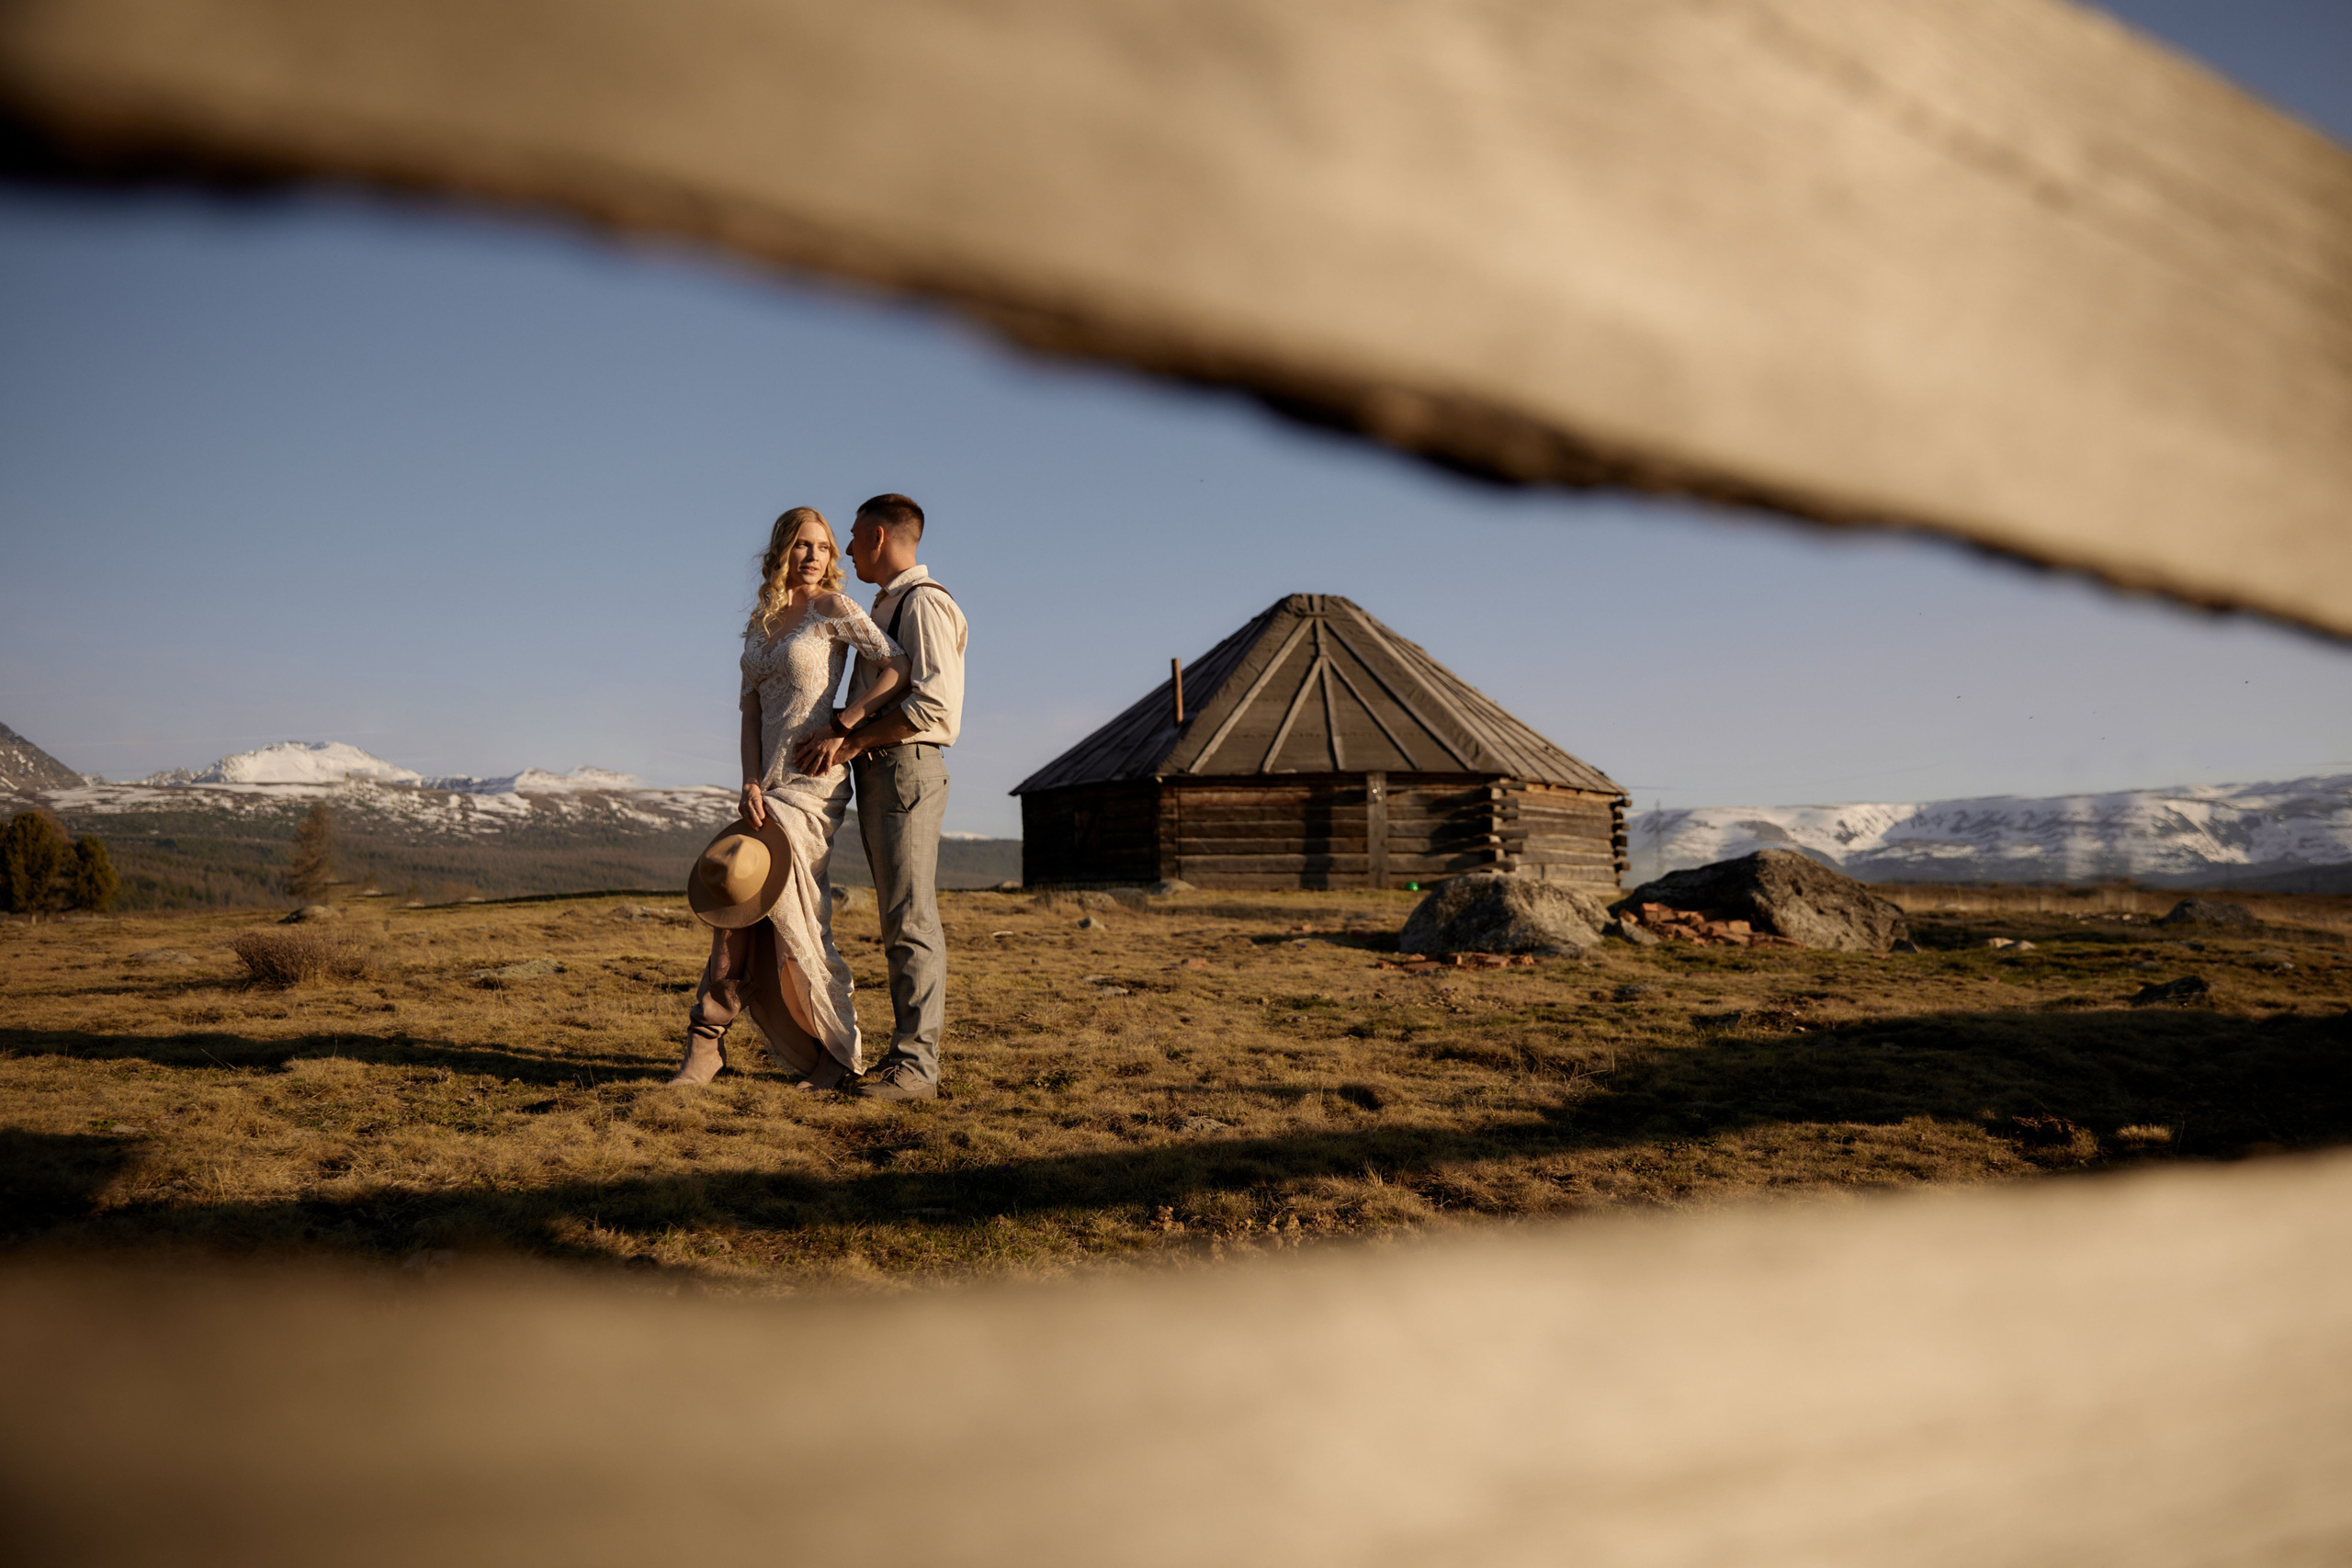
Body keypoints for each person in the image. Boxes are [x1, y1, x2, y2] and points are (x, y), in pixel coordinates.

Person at [671, 506, 909, 1089]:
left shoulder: (835, 610)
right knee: (743, 908)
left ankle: (808, 1049)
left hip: (812, 781)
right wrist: (749, 781)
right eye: (802, 546)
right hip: (767, 783)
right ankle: (714, 1039)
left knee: (789, 917)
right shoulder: (762, 621)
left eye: (824, 548)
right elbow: (750, 712)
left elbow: (896, 668)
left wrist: (845, 724)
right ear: (782, 550)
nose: (813, 557)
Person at [792, 492, 967, 1102]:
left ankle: (916, 1068)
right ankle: (907, 1059)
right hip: (886, 768)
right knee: (898, 917)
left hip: (905, 768)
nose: (844, 546)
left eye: (854, 534)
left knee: (909, 917)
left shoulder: (924, 603)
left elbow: (934, 706)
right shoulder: (890, 603)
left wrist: (850, 736)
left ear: (880, 536)